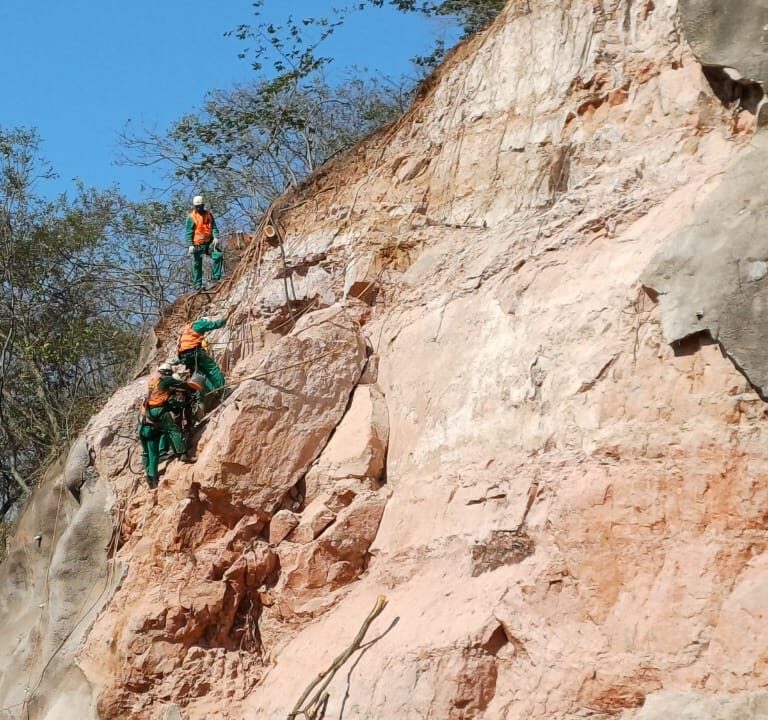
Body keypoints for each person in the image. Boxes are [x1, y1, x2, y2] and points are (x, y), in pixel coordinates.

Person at [138, 362, 195, 488]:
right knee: (172, 430)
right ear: (168, 372)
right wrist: (192, 388)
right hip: (159, 410)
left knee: (147, 452)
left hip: (147, 415)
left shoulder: (153, 381)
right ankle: (183, 454)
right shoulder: (166, 380)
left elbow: (159, 394)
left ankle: (150, 477)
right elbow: (182, 385)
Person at [177, 316, 227, 398]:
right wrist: (225, 319)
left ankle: (212, 393)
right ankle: (223, 390)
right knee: (212, 369)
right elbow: (215, 324)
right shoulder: (200, 323)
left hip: (184, 356)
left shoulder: (187, 329)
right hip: (194, 352)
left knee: (202, 374)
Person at [185, 195, 223, 291]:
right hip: (197, 244)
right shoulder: (191, 217)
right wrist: (190, 245)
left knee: (217, 255)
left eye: (200, 206)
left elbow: (214, 227)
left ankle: (216, 278)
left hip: (208, 243)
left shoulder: (209, 215)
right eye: (196, 206)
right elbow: (188, 232)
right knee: (197, 263)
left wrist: (216, 237)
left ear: (203, 205)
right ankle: (198, 284)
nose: (198, 208)